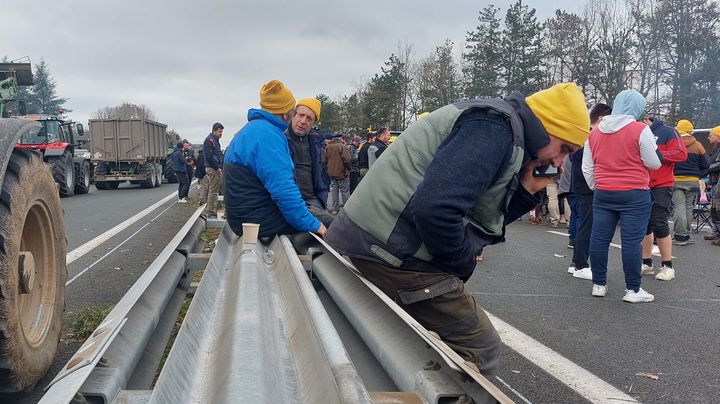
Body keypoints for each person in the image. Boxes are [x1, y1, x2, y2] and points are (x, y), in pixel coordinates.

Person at [326, 83, 589, 377]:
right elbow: (434, 209)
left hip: (369, 240)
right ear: (544, 127)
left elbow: (482, 220)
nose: (559, 162)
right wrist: (460, 265)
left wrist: (526, 191)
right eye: (564, 148)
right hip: (386, 252)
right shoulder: (494, 129)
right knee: (480, 345)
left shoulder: (504, 131)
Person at [582, 90, 661, 303]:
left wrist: (597, 186)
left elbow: (587, 167)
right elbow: (654, 163)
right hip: (634, 193)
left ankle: (599, 284)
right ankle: (633, 290)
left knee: (599, 238)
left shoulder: (595, 133)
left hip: (604, 192)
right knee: (631, 242)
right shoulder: (640, 129)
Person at [223, 80, 326, 238]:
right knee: (332, 224)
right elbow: (283, 189)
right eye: (294, 112)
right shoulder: (268, 136)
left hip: (243, 215)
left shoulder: (254, 128)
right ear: (286, 114)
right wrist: (315, 225)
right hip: (255, 219)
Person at [639, 116, 687, 280]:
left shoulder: (668, 132)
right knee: (645, 223)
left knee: (659, 221)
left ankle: (668, 266)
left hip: (661, 184)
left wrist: (656, 154)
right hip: (641, 183)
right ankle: (646, 262)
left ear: (646, 119)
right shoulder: (636, 131)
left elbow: (681, 154)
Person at [567, 103, 612, 280]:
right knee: (588, 225)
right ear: (601, 118)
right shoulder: (591, 136)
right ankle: (580, 265)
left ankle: (575, 262)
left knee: (584, 224)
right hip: (587, 186)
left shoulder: (584, 134)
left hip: (581, 185)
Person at [285, 97, 333, 227]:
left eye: (309, 119)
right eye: (301, 115)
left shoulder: (316, 142)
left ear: (313, 123)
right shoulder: (280, 139)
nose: (303, 121)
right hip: (293, 202)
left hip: (313, 200)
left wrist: (321, 198)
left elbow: (320, 172)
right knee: (334, 224)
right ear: (293, 115)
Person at [671, 119, 710, 245]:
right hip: (693, 181)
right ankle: (686, 235)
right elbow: (706, 165)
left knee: (679, 208)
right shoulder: (698, 145)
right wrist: (698, 175)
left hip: (676, 181)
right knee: (688, 208)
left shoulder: (674, 144)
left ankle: (679, 237)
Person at [323, 133, 351, 214]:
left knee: (334, 192)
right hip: (342, 173)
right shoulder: (342, 146)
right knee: (345, 191)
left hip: (331, 173)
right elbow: (347, 160)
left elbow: (324, 160)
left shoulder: (328, 147)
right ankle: (347, 210)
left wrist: (328, 169)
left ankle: (335, 209)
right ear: (340, 138)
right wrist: (348, 169)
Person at [203, 122, 224, 218]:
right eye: (219, 131)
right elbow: (209, 156)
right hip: (212, 168)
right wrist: (217, 167)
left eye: (222, 131)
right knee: (213, 190)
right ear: (214, 131)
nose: (221, 133)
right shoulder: (210, 140)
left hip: (214, 167)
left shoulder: (214, 140)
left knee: (215, 189)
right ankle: (211, 211)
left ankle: (214, 209)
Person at [706, 126, 720, 245]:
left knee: (718, 208)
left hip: (718, 182)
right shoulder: (715, 148)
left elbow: (718, 164)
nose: (708, 137)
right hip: (714, 181)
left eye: (711, 134)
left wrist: (706, 169)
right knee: (714, 208)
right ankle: (715, 232)